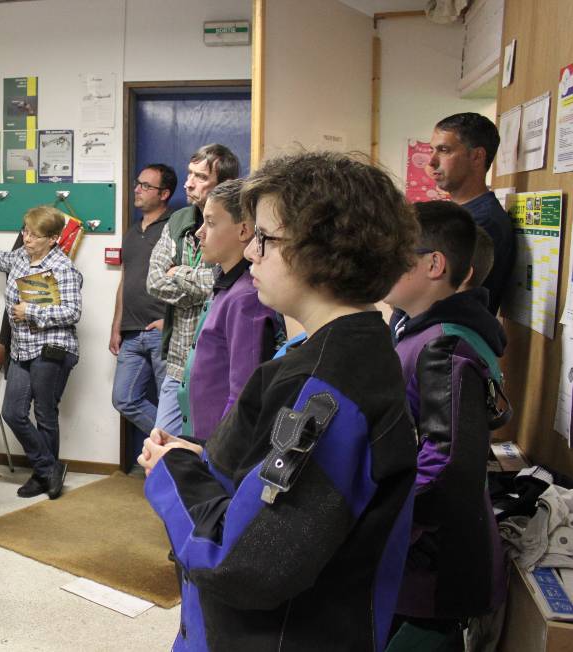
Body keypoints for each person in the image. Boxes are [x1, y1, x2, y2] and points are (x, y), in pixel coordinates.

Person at [139, 152, 419, 651]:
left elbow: (243, 561)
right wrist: (198, 458)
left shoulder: (328, 391)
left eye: (264, 239)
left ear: (322, 250)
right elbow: (277, 489)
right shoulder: (338, 356)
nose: (251, 254)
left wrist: (172, 472)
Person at [383, 201, 507, 650]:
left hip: (431, 567)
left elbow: (448, 465)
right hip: (418, 557)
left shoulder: (445, 346)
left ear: (434, 264)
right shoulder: (421, 332)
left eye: (397, 251)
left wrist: (382, 522)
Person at [0, 206, 83, 500]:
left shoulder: (62, 267)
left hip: (52, 347)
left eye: (34, 234)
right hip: (22, 348)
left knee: (44, 414)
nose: (26, 238)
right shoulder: (19, 256)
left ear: (53, 238)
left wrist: (30, 311)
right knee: (13, 412)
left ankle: (43, 475)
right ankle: (48, 469)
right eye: (25, 231)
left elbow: (72, 311)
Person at [146, 144, 239, 435]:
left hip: (215, 366)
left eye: (200, 177)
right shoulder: (178, 221)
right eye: (189, 174)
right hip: (178, 361)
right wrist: (199, 279)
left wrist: (179, 272)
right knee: (162, 445)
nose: (188, 183)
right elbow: (155, 281)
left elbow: (221, 282)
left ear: (223, 185)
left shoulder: (236, 223)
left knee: (204, 451)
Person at [178, 178, 281, 439]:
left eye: (211, 223)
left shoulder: (246, 297)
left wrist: (219, 453)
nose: (200, 232)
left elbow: (242, 392)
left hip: (221, 446)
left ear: (244, 230)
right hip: (204, 436)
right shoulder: (227, 288)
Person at [109, 163, 177, 437]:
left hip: (163, 333)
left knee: (170, 404)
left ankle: (175, 463)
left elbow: (186, 278)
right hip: (131, 333)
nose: (137, 189)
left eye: (146, 186)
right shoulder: (132, 231)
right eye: (138, 183)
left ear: (164, 194)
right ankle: (172, 446)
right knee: (124, 399)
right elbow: (125, 280)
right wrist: (116, 326)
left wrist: (170, 320)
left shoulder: (175, 227)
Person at [428, 112, 514, 314]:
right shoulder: (460, 214)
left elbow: (440, 297)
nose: (431, 161)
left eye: (444, 150)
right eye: (432, 150)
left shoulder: (481, 222)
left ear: (476, 156)